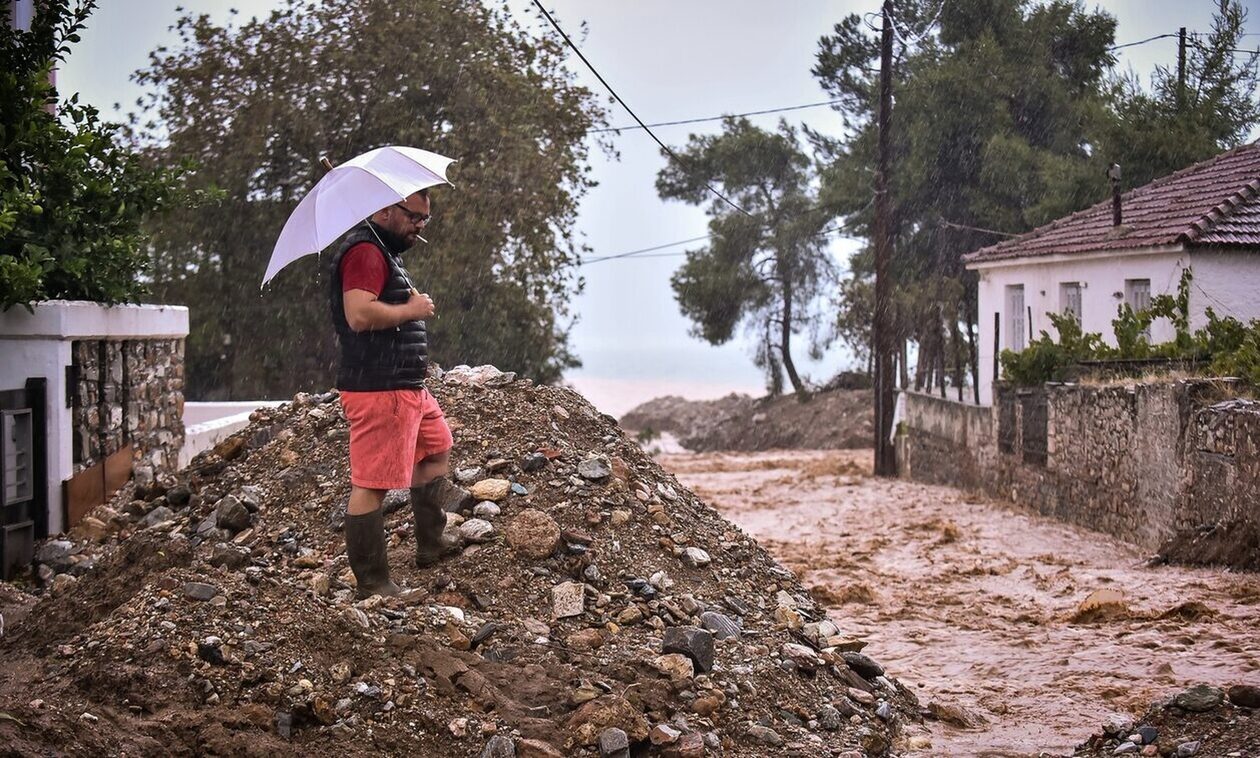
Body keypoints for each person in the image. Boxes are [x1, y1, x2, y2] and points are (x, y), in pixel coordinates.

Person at [328, 189, 455, 598]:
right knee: (372, 483)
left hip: (405, 384)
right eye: (415, 217)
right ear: (384, 209)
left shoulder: (383, 251)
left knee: (436, 448)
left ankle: (431, 545)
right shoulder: (365, 252)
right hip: (378, 387)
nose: (420, 226)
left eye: (425, 220)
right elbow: (359, 314)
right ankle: (374, 583)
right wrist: (411, 310)